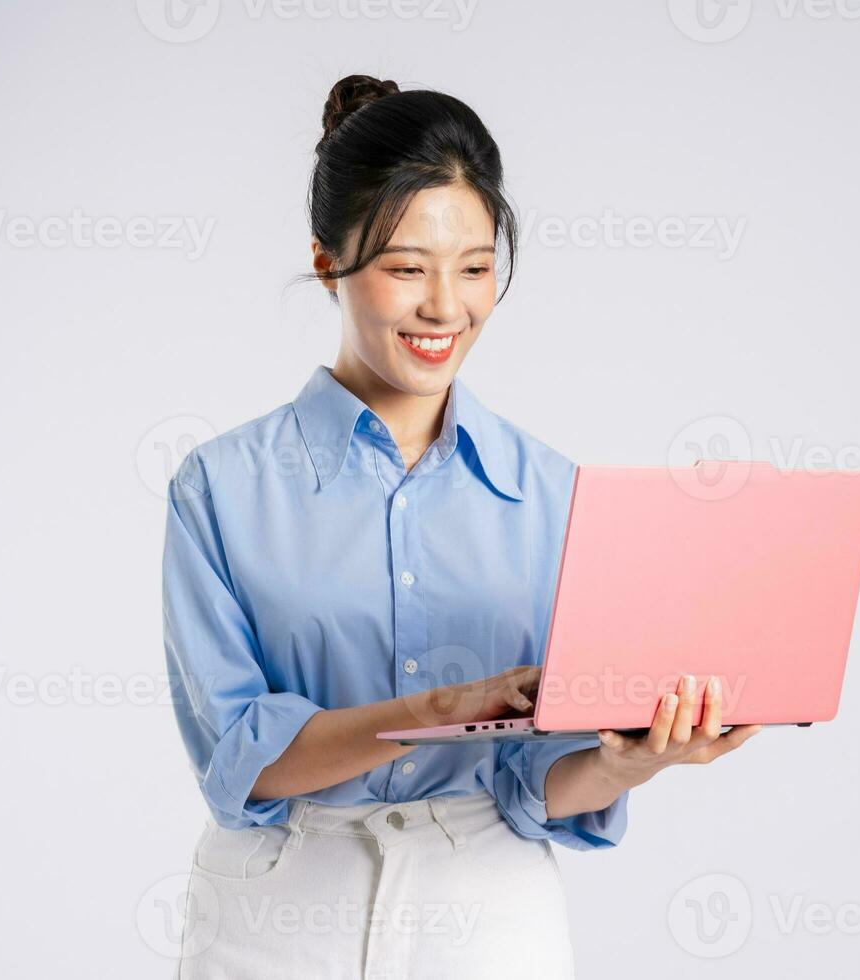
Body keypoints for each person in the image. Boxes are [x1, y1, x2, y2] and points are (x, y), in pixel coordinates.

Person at [162, 73, 763, 979]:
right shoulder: (222, 488)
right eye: (406, 268)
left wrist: (635, 761)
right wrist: (446, 707)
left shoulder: (553, 491)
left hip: (487, 916)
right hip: (278, 914)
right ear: (327, 260)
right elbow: (243, 755)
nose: (447, 307)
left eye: (476, 267)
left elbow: (543, 779)